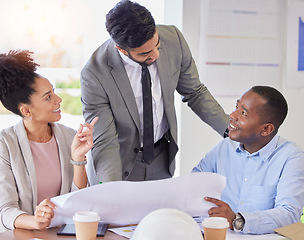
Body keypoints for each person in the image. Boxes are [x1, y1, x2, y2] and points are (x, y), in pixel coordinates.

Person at [80, 0, 229, 183]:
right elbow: (105, 140)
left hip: (161, 158)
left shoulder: (174, 39)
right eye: (145, 54)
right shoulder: (94, 74)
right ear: (121, 49)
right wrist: (111, 188)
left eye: (157, 45)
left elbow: (195, 92)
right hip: (119, 164)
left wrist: (231, 131)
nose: (156, 55)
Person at [0, 50, 98, 231]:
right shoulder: (5, 144)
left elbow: (79, 201)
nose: (58, 99)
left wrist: (78, 159)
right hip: (26, 235)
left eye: (54, 92)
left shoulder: (69, 137)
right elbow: (5, 211)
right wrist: (34, 221)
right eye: (48, 97)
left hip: (63, 233)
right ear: (26, 111)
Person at [192, 86, 304, 234]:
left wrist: (237, 220)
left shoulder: (291, 158)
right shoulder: (224, 147)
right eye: (236, 107)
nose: (232, 115)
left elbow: (289, 214)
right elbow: (193, 186)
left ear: (266, 129)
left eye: (243, 113)